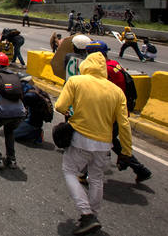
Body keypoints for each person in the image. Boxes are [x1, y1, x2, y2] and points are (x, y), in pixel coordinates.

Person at [55, 52, 132, 235]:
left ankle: (86, 213)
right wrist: (126, 151)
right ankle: (93, 216)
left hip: (80, 138)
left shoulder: (77, 81)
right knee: (96, 178)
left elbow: (60, 106)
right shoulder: (116, 91)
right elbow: (124, 124)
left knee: (70, 171)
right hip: (104, 144)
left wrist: (75, 114)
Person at [86, 41, 152, 183]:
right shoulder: (114, 64)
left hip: (112, 113)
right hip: (119, 109)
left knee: (100, 141)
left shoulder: (105, 70)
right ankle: (139, 169)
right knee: (111, 141)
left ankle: (90, 173)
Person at [0, 52, 26, 169]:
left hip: (2, 111)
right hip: (20, 111)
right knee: (9, 131)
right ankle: (11, 159)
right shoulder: (15, 75)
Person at [13, 74, 47, 144]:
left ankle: (36, 133)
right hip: (33, 120)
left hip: (32, 122)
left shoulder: (29, 96)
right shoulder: (33, 89)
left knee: (12, 134)